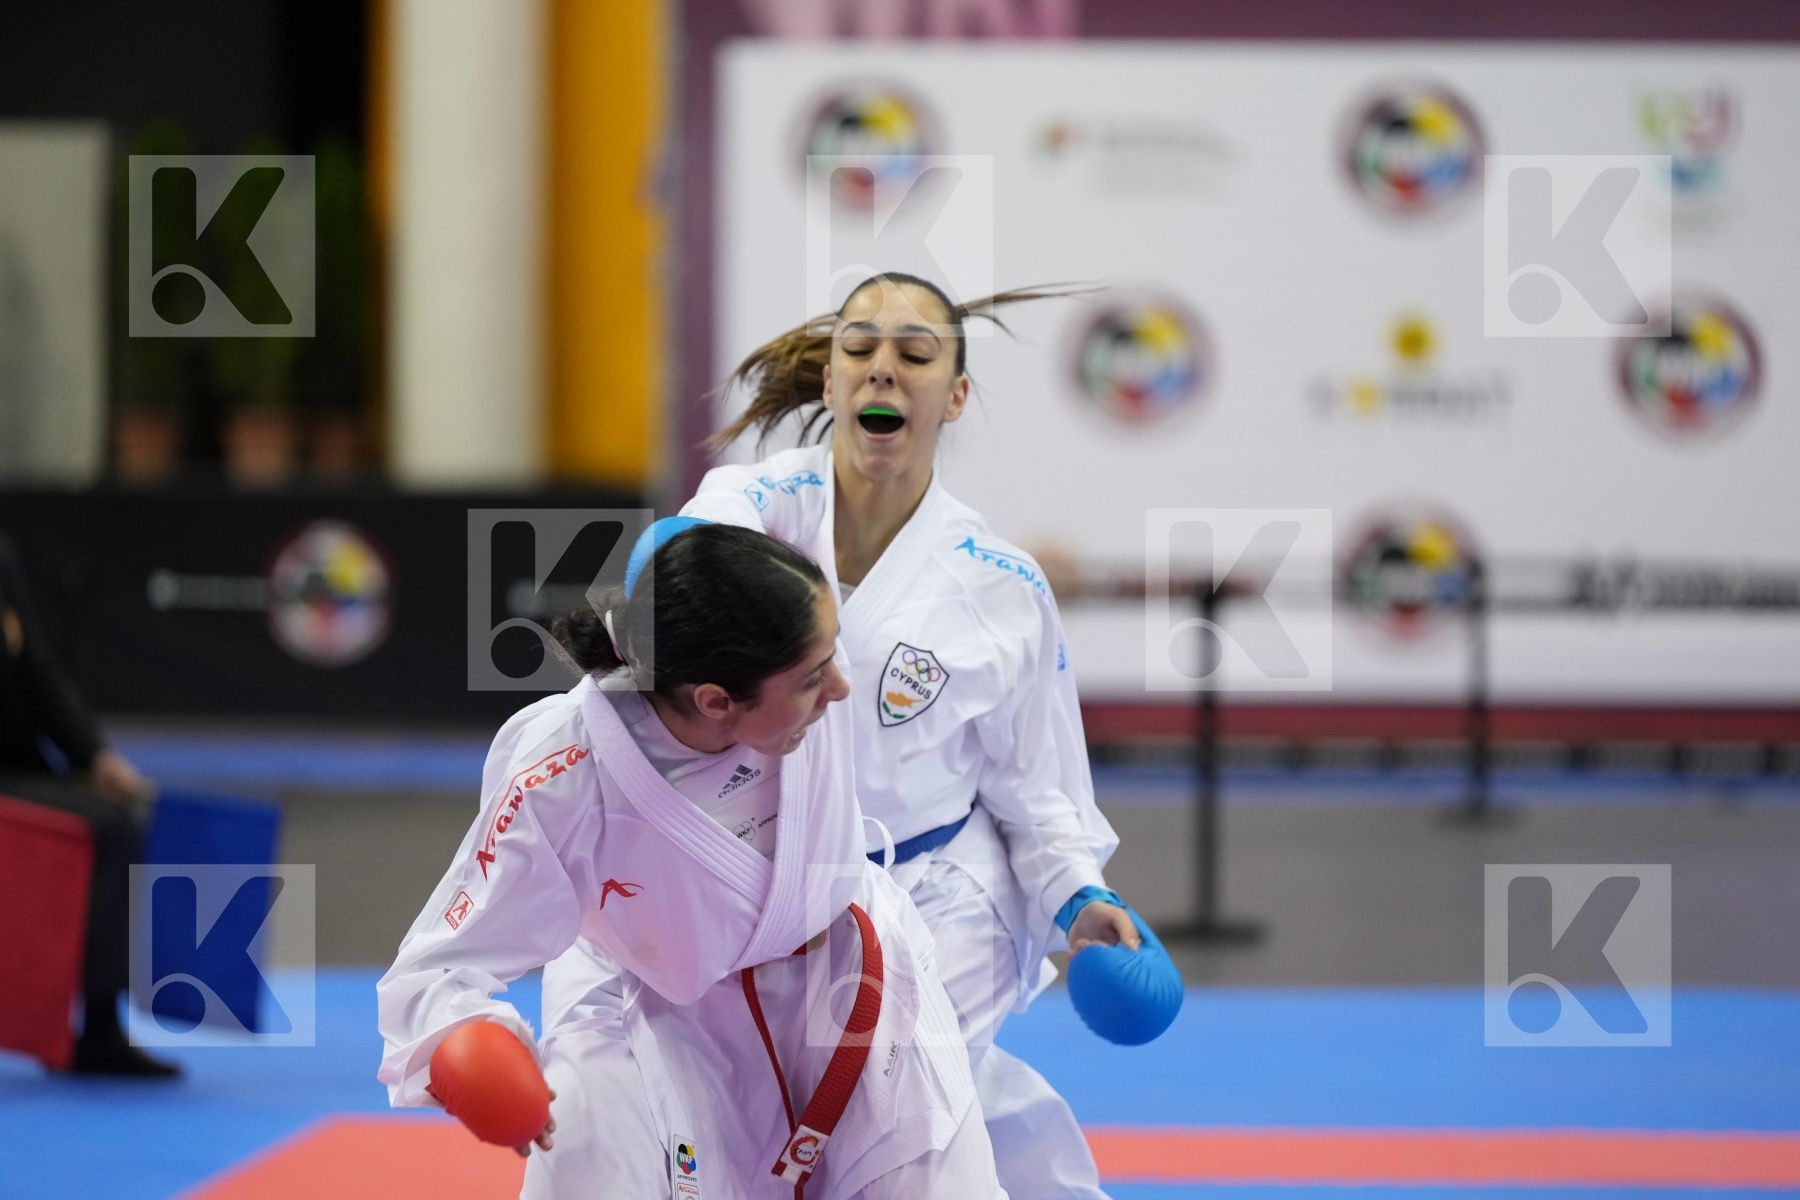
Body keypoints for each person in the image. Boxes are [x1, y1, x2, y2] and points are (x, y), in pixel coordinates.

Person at [544, 273, 1133, 1199]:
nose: (882, 371)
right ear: (828, 383)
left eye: (914, 354)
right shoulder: (751, 504)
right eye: (858, 349)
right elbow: (685, 566)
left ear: (957, 394)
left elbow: (1037, 787)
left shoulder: (1000, 586)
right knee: (706, 1121)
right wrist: (672, 564)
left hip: (935, 891)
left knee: (901, 1110)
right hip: (755, 881)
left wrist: (1078, 899)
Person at [377, 522, 1005, 1199]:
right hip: (662, 1007)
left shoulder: (788, 641)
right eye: (814, 677)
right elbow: (441, 964)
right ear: (715, 702)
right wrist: (468, 1046)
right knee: (587, 1177)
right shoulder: (566, 772)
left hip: (853, 978)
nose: (842, 689)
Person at [0, 531, 172, 1077]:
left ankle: (98, 1026)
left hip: (18, 768)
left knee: (119, 822)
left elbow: (38, 670)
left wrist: (96, 756)